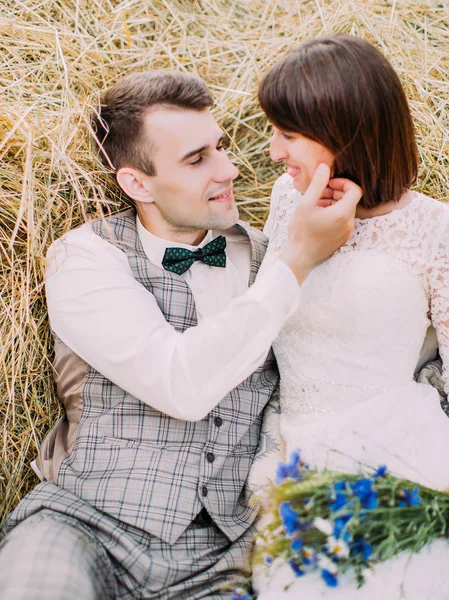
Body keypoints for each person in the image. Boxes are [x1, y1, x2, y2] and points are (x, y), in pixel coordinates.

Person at [0, 71, 361, 599]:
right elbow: (180, 384)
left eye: (221, 147)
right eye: (197, 160)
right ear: (136, 183)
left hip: (221, 557)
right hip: (85, 525)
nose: (230, 169)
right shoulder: (85, 258)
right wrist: (297, 263)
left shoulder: (267, 258)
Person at [252, 34, 449, 599]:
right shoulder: (285, 200)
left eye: (287, 133)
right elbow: (266, 309)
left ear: (344, 132)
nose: (272, 151)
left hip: (394, 446)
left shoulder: (433, 230)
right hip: (290, 440)